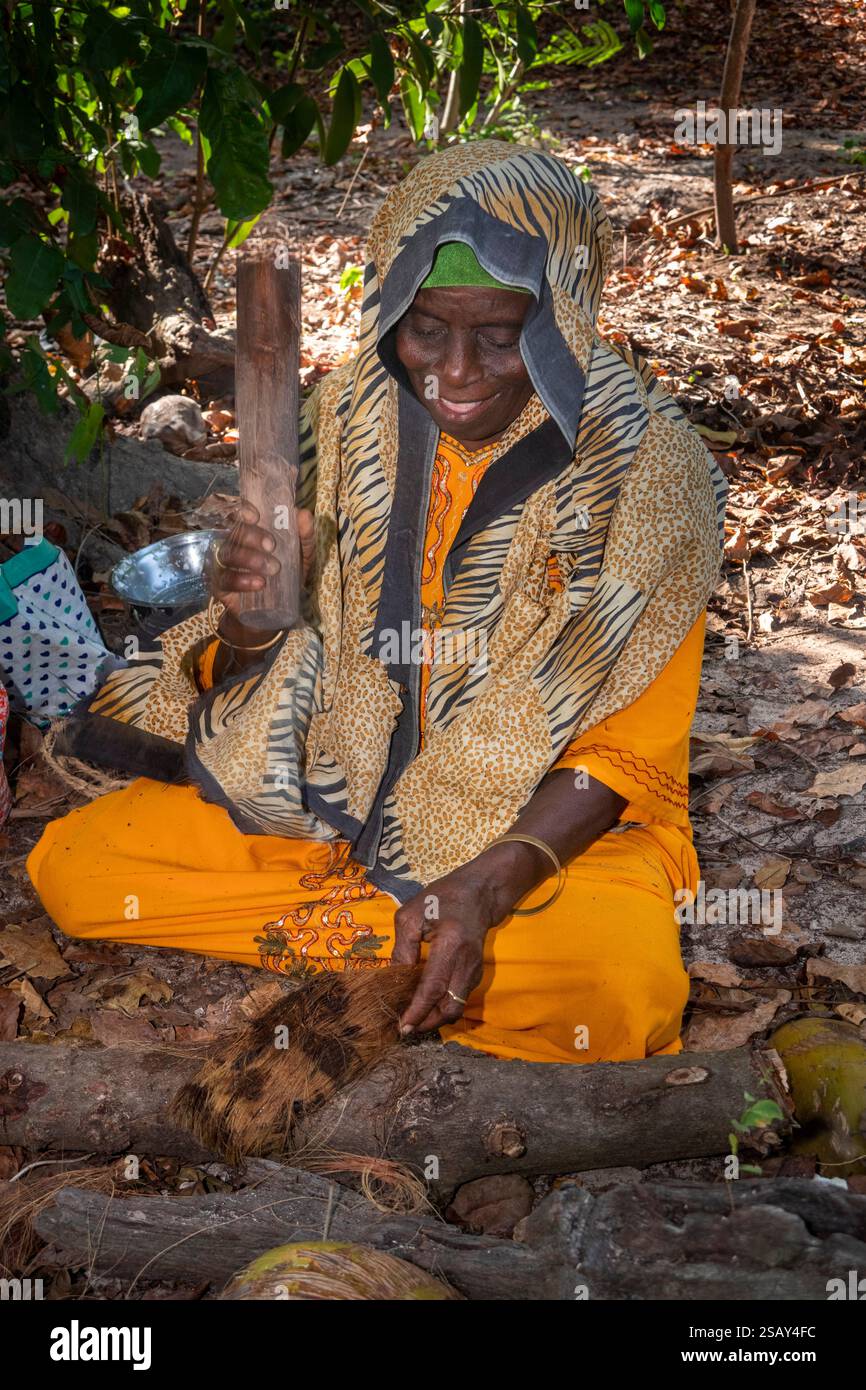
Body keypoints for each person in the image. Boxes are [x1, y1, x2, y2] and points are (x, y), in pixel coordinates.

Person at [29, 141, 726, 1065]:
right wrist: (246, 614)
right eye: (426, 328)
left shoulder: (652, 477)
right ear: (391, 305)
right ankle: (412, 939)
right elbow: (266, 662)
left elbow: (628, 756)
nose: (457, 373)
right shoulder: (349, 417)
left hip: (545, 830)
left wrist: (488, 882)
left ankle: (432, 929)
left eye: (501, 332)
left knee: (614, 982)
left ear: (567, 313)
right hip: (340, 797)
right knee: (76, 872)